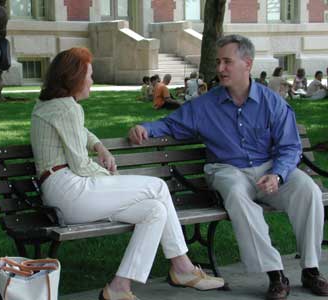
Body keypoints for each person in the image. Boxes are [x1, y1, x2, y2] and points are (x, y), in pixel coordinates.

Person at [128, 35, 328, 300]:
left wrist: (278, 174)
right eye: (218, 62)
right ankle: (274, 273)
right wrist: (145, 128)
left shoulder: (272, 102)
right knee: (236, 193)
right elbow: (170, 124)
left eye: (227, 62)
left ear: (247, 64)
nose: (220, 68)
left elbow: (291, 147)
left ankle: (311, 269)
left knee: (308, 190)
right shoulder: (205, 105)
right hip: (227, 169)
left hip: (269, 168)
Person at [30, 48, 224, 300]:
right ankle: (183, 268)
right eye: (89, 75)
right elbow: (80, 165)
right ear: (73, 77)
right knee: (157, 187)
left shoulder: (49, 104)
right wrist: (110, 177)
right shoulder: (67, 108)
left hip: (58, 193)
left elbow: (79, 131)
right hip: (70, 191)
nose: (92, 80)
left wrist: (99, 146)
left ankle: (119, 287)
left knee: (155, 210)